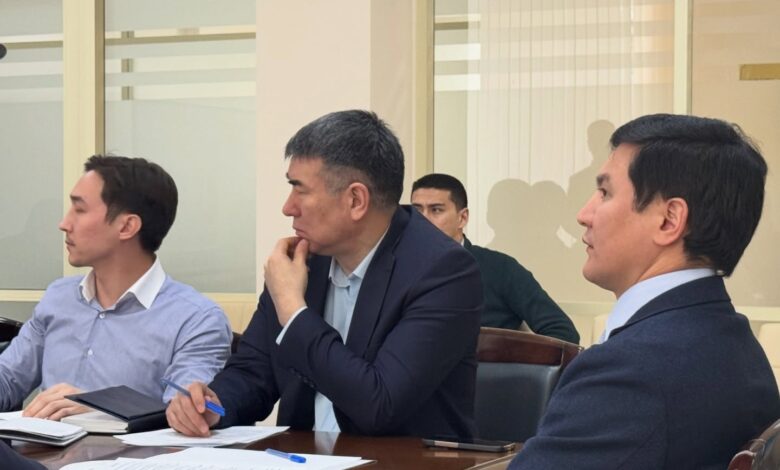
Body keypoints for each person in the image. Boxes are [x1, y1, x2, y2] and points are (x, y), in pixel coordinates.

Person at [166, 110, 483, 438]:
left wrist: (293, 310)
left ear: (356, 200)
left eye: (300, 190)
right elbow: (253, 373)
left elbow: (380, 404)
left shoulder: (443, 271)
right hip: (303, 457)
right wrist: (212, 405)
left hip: (402, 459)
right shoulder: (304, 260)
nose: (288, 207)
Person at [509, 114, 780, 469]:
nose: (583, 214)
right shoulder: (734, 341)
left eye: (605, 192)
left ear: (669, 220)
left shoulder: (628, 371)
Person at [0, 156, 232, 420]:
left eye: (79, 210)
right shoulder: (58, 297)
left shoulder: (196, 319)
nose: (64, 224)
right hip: (37, 446)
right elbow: (7, 379)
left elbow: (186, 415)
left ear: (127, 226)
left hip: (124, 448)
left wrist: (102, 410)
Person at [411, 173, 579, 343]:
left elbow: (563, 333)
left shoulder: (500, 269)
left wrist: (505, 355)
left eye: (436, 210)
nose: (423, 219)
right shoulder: (399, 267)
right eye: (417, 211)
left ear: (462, 218)